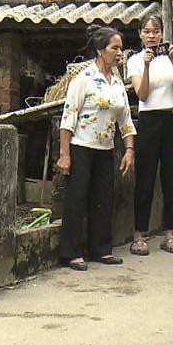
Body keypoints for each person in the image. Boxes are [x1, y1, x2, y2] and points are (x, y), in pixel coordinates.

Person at [56, 25, 136, 271]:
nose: (120, 53)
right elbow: (68, 117)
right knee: (77, 200)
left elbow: (125, 119)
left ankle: (100, 249)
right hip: (81, 147)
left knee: (103, 199)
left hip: (105, 149)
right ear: (101, 50)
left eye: (120, 48)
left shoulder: (117, 82)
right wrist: (65, 154)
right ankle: (71, 253)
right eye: (115, 48)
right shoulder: (84, 79)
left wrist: (130, 149)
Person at [127, 14, 173, 255]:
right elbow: (141, 94)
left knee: (171, 178)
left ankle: (169, 233)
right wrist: (148, 64)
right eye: (147, 31)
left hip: (171, 118)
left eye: (156, 31)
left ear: (162, 33)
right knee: (145, 178)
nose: (152, 36)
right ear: (141, 34)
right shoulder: (135, 60)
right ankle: (139, 235)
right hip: (149, 118)